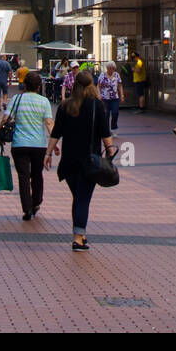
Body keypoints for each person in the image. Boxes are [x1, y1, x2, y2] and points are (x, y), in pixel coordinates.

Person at [45, 71, 114, 251]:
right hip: (89, 162)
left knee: (79, 198)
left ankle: (81, 235)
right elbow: (105, 133)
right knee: (82, 199)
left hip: (68, 162)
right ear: (91, 85)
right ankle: (77, 238)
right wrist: (111, 151)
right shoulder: (96, 106)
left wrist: (48, 153)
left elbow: (56, 132)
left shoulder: (65, 105)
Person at [5, 71, 54, 221]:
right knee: (37, 175)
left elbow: (6, 118)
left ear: (24, 85)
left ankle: (26, 208)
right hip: (39, 145)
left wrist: (0, 136)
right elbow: (49, 123)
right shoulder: (44, 101)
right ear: (39, 87)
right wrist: (53, 142)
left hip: (19, 144)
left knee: (23, 177)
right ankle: (36, 202)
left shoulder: (16, 99)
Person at [97, 62, 125, 134]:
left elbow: (120, 85)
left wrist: (122, 95)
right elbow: (98, 86)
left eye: (111, 68)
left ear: (113, 68)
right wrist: (99, 94)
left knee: (115, 113)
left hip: (115, 98)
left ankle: (114, 128)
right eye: (108, 68)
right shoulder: (102, 75)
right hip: (105, 98)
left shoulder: (116, 75)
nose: (110, 69)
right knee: (106, 114)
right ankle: (106, 130)